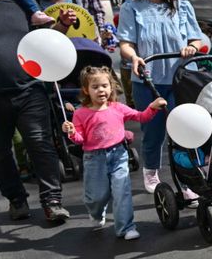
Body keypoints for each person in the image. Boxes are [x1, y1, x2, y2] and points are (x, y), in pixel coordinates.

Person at [0, 0, 75, 222]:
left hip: (29, 89)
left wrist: (63, 26)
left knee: (40, 143)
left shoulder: (22, 2)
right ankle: (16, 198)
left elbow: (45, 41)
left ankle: (52, 201)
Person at [116, 0, 204, 201]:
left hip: (180, 79)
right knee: (153, 132)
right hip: (148, 80)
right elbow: (125, 42)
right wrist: (133, 57)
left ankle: (187, 178)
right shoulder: (131, 7)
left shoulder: (181, 6)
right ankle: (151, 172)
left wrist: (193, 48)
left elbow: (196, 38)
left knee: (183, 132)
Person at [61, 66, 166, 240]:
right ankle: (96, 213)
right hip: (94, 159)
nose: (101, 90)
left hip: (118, 155)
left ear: (111, 87)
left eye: (104, 86)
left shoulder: (118, 107)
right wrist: (72, 132)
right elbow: (80, 140)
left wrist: (153, 107)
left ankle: (126, 227)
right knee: (96, 196)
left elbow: (141, 117)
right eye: (95, 87)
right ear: (86, 90)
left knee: (122, 191)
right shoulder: (81, 113)